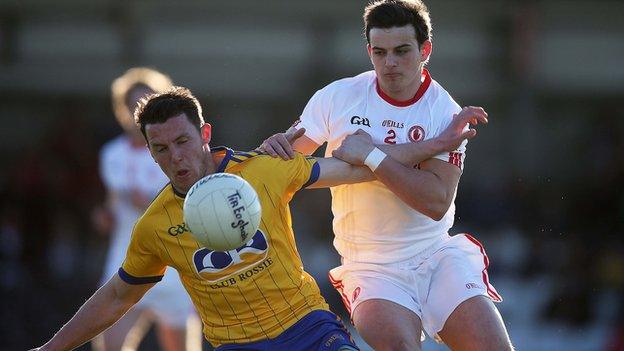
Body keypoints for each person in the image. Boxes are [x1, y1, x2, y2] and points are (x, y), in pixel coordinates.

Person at [32, 86, 391, 351]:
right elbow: (116, 296)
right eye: (161, 149)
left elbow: (355, 170)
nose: (175, 157)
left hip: (307, 327)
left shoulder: (263, 169)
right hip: (237, 345)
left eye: (182, 141)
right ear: (150, 151)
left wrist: (430, 154)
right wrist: (50, 349)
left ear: (205, 134)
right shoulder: (155, 225)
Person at [258, 1, 513, 350]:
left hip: (435, 255)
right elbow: (288, 164)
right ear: (369, 51)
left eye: (401, 51)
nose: (390, 63)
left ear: (426, 50)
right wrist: (273, 151)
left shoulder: (444, 112)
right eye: (380, 52)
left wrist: (372, 155)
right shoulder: (339, 96)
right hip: (370, 266)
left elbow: (435, 201)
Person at [92, 67, 201, 351]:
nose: (138, 111)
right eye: (133, 105)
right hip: (126, 260)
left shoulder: (180, 152)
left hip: (174, 265)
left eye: (147, 101)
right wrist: (104, 217)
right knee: (108, 344)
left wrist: (154, 204)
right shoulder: (111, 154)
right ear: (123, 110)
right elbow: (112, 205)